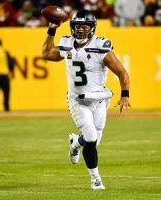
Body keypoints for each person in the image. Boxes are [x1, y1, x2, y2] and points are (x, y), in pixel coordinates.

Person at [42, 9, 131, 190]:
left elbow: (122, 72)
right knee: (90, 137)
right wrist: (52, 29)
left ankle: (76, 142)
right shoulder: (66, 43)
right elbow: (46, 53)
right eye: (77, 26)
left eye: (84, 26)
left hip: (99, 99)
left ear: (92, 27)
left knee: (94, 141)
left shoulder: (101, 46)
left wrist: (125, 95)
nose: (80, 30)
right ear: (72, 27)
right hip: (78, 100)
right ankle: (96, 179)